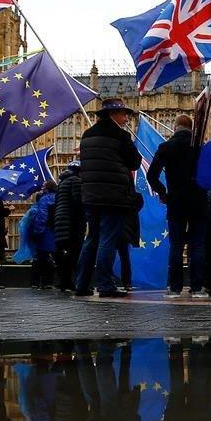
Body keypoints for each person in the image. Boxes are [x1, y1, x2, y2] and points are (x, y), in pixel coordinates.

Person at [76, 98, 141, 298]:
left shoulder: (86, 135)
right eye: (124, 114)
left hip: (90, 195)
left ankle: (82, 284)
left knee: (92, 238)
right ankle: (105, 284)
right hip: (113, 196)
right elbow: (135, 162)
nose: (126, 118)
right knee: (108, 239)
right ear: (113, 115)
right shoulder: (120, 135)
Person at [148, 114, 208, 297]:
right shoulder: (200, 148)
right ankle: (197, 288)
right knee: (197, 245)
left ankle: (175, 288)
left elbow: (152, 176)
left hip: (175, 201)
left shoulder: (166, 147)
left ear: (175, 127)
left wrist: (163, 193)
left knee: (176, 245)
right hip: (198, 201)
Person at [53, 161, 85, 292]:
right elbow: (78, 200)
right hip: (72, 221)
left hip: (60, 222)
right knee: (75, 253)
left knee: (64, 253)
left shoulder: (61, 184)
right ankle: (75, 282)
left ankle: (63, 282)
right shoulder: (76, 181)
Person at [27, 180, 58, 289]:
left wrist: (37, 231)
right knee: (57, 257)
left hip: (46, 232)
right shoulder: (59, 198)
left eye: (44, 186)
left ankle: (40, 282)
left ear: (48, 188)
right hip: (57, 231)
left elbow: (42, 217)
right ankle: (53, 282)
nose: (42, 188)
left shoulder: (45, 199)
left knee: (41, 258)